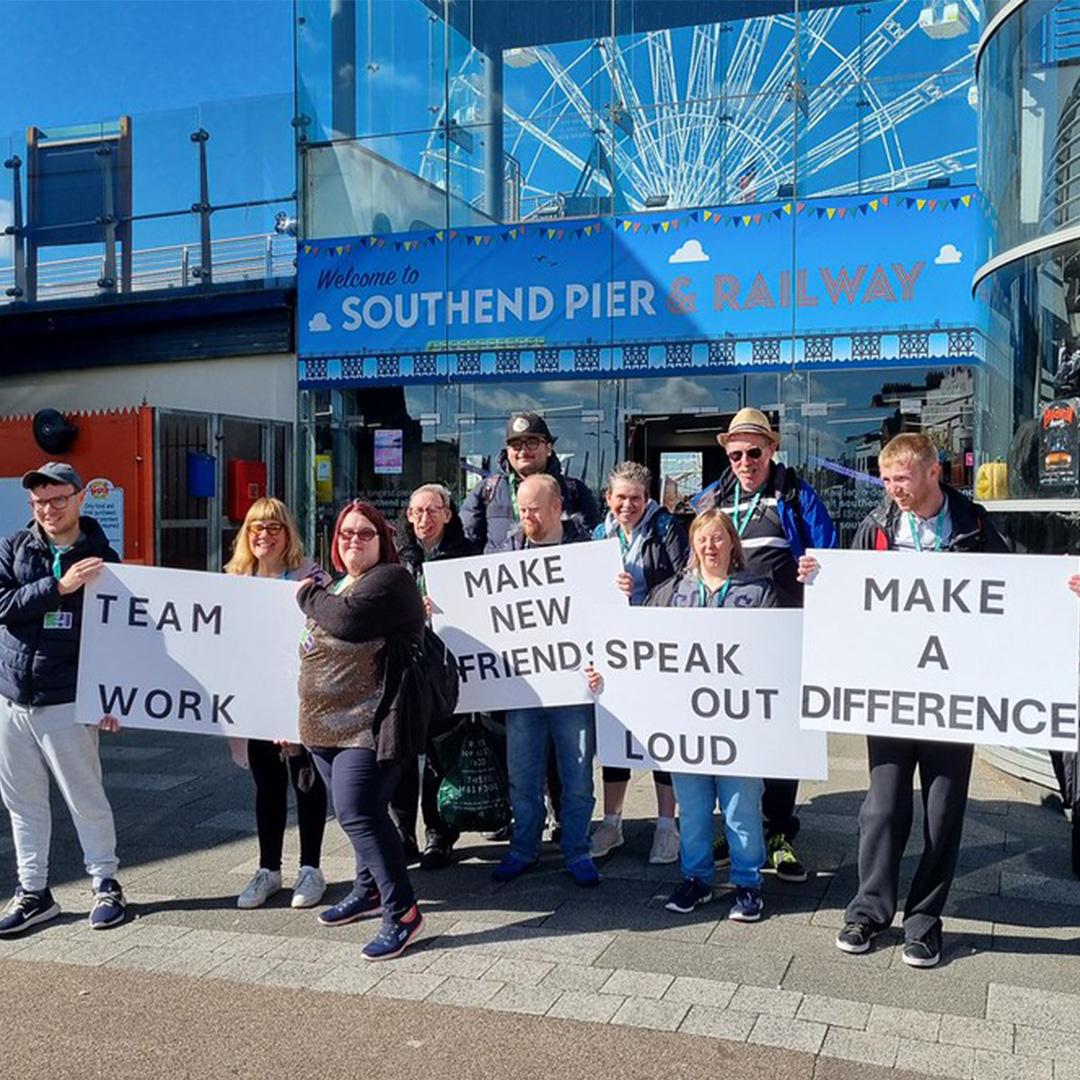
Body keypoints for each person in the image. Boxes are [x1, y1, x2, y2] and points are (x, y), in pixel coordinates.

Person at [799, 432, 1008, 969]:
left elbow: (1013, 587)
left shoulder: (975, 525)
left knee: (942, 813)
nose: (895, 490)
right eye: (888, 480)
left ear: (934, 472)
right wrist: (819, 579)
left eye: (904, 479)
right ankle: (869, 910)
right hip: (890, 692)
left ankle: (925, 921)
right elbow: (849, 596)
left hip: (951, 695)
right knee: (884, 807)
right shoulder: (877, 527)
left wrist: (1062, 589)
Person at [588, 509, 774, 922]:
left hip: (739, 724)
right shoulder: (670, 591)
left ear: (732, 543)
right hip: (686, 725)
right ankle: (697, 879)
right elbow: (640, 650)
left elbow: (778, 654)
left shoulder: (760, 591)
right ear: (692, 544)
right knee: (691, 807)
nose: (710, 546)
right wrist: (607, 672)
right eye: (702, 538)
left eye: (718, 538)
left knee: (741, 806)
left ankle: (748, 882)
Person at [696, 408, 837, 883]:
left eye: (754, 452)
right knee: (734, 733)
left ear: (772, 450)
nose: (744, 461)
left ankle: (778, 829)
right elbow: (693, 558)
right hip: (727, 642)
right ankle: (739, 827)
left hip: (780, 636)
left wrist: (816, 571)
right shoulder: (714, 498)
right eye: (735, 453)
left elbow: (830, 556)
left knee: (778, 735)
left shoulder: (796, 496)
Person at [295, 499, 427, 961]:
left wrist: (306, 595)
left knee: (358, 812)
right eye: (346, 534)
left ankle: (403, 912)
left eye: (364, 533)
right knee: (358, 813)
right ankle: (368, 891)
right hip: (321, 727)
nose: (354, 540)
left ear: (382, 539)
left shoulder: (390, 580)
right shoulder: (339, 584)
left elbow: (346, 622)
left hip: (370, 725)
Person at [0, 462, 126, 934]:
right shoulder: (14, 546)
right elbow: (3, 606)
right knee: (23, 803)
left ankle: (106, 882)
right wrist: (58, 587)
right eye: (39, 503)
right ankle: (33, 891)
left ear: (79, 499)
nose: (48, 510)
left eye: (57, 500)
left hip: (69, 698)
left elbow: (117, 635)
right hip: (12, 697)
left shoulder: (103, 556)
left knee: (84, 796)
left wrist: (114, 696)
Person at [491, 474, 600, 887]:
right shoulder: (506, 550)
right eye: (521, 509)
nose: (526, 517)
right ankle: (523, 848)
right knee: (523, 775)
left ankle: (577, 849)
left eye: (534, 509)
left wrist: (618, 588)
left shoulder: (585, 552)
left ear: (557, 508)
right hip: (524, 689)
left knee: (576, 777)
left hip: (572, 689)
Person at [225, 497, 330, 910]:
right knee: (267, 783)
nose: (263, 536)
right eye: (255, 528)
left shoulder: (311, 578)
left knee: (307, 780)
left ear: (288, 534)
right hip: (256, 701)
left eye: (273, 528)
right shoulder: (232, 579)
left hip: (304, 698)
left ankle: (311, 867)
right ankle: (268, 869)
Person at [590, 461, 689, 864]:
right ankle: (612, 823)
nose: (627, 505)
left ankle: (667, 827)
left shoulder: (666, 530)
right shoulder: (598, 535)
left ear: (646, 499)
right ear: (608, 499)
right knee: (617, 736)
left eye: (635, 498)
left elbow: (684, 579)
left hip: (657, 646)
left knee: (663, 737)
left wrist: (641, 597)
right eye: (620, 498)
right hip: (615, 648)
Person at [391, 483, 477, 870]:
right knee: (401, 751)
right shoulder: (394, 555)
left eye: (432, 510)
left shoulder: (467, 554)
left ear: (448, 513)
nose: (423, 519)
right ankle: (402, 832)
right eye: (416, 511)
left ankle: (439, 835)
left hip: (445, 669)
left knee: (442, 750)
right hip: (402, 668)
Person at [460, 410, 601, 554]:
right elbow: (465, 543)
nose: (523, 450)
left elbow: (594, 542)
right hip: (506, 574)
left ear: (549, 448)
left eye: (532, 443)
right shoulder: (487, 490)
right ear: (507, 451)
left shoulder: (574, 490)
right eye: (515, 445)